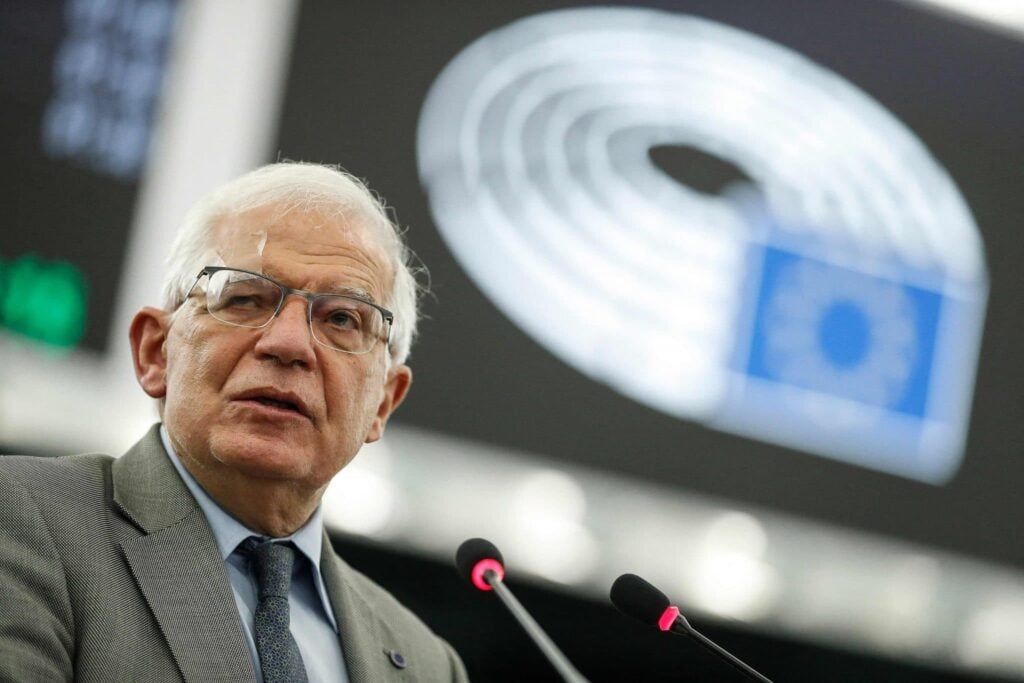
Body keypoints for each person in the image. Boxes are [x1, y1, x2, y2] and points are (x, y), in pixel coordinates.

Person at [0, 162, 469, 682]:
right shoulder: (22, 520)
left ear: (382, 403)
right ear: (156, 351)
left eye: (342, 318)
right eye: (245, 299)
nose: (289, 344)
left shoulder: (428, 664)